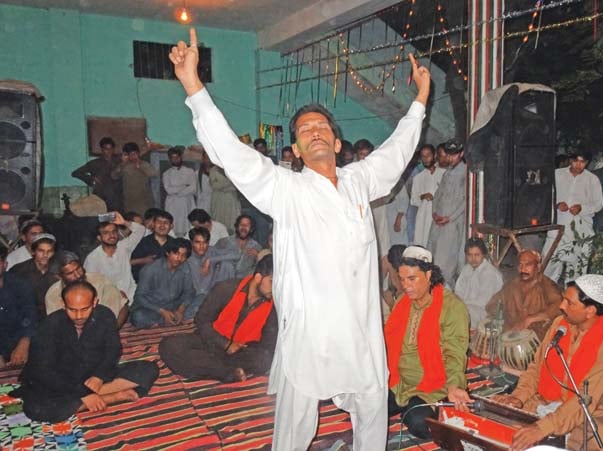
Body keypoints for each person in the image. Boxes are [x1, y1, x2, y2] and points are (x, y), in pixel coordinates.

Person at [170, 28, 429, 450]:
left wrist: (420, 98)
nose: (314, 132)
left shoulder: (360, 179)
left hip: (360, 331)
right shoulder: (284, 189)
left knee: (371, 416)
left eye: (321, 127)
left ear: (337, 141)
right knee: (293, 431)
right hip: (309, 332)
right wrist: (193, 85)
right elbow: (230, 154)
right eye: (305, 130)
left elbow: (399, 149)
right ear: (295, 149)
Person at [454, 274, 603, 451]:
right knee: (498, 420)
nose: (562, 306)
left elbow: (587, 399)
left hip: (595, 413)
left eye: (570, 303)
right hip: (546, 401)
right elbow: (536, 368)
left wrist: (542, 428)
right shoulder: (560, 325)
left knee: (583, 442)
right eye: (563, 299)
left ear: (590, 311)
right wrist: (518, 397)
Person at [11, 281, 159, 423]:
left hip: (91, 375)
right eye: (72, 310)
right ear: (63, 304)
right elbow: (44, 370)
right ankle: (112, 397)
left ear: (95, 302)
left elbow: (113, 350)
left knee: (148, 369)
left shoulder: (105, 315)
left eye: (85, 309)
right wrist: (83, 393)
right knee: (36, 409)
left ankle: (88, 398)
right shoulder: (49, 325)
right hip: (61, 379)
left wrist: (99, 376)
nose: (79, 316)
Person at [384, 246, 469, 439]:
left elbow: (455, 352)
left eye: (412, 279)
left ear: (429, 274)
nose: (406, 286)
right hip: (398, 381)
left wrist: (454, 385)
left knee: (418, 422)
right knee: (363, 405)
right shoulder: (402, 303)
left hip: (432, 385)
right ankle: (403, 404)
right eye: (402, 279)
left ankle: (434, 405)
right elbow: (387, 344)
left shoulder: (452, 307)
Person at [160, 255, 279, 382]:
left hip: (239, 353)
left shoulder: (275, 305)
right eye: (272, 282)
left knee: (265, 359)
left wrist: (245, 348)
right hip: (212, 342)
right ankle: (226, 372)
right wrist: (225, 344)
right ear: (258, 277)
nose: (276, 288)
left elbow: (268, 343)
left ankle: (216, 369)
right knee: (169, 345)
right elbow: (201, 320)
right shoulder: (226, 288)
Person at [542, 150, 603, 282]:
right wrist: (557, 204)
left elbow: (599, 203)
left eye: (582, 162)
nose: (578, 165)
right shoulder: (557, 174)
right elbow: (545, 197)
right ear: (570, 160)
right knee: (548, 265)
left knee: (577, 271)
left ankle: (571, 300)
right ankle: (546, 297)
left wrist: (582, 208)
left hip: (581, 231)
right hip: (557, 227)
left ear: (587, 163)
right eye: (575, 161)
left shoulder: (592, 179)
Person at [486, 249, 562, 333]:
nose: (523, 269)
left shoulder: (547, 285)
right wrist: (503, 321)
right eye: (520, 265)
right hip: (511, 336)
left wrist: (530, 319)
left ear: (538, 267)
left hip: (537, 338)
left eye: (528, 265)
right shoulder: (511, 285)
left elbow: (559, 306)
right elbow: (492, 304)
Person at [46, 251, 129, 328]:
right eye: (70, 273)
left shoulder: (100, 280)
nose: (78, 275)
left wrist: (111, 330)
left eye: (78, 269)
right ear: (59, 276)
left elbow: (123, 307)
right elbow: (58, 326)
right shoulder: (53, 295)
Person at [130, 238, 197, 327]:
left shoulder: (185, 267)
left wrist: (181, 310)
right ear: (168, 253)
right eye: (176, 254)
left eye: (183, 255)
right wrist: (162, 312)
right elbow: (139, 297)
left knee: (202, 298)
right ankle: (170, 320)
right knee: (138, 317)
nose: (179, 258)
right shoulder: (150, 269)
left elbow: (190, 291)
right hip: (153, 308)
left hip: (174, 306)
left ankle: (171, 319)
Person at [428, 139, 467, 287]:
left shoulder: (465, 172)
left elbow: (466, 200)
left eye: (454, 155)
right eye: (449, 155)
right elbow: (438, 195)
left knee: (445, 264)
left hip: (452, 224)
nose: (450, 158)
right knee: (432, 257)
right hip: (438, 222)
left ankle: (445, 297)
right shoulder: (447, 173)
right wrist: (434, 212)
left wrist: (449, 218)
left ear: (461, 153)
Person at [84, 212, 145, 300]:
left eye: (114, 231)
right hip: (108, 300)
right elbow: (92, 285)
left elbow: (141, 230)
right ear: (99, 238)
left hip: (132, 296)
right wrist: (115, 294)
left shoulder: (124, 247)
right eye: (106, 233)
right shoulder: (92, 258)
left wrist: (124, 222)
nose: (111, 235)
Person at [454, 238, 504, 329]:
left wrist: (461, 305)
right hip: (465, 307)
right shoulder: (466, 269)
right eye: (470, 255)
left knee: (458, 313)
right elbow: (458, 292)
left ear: (483, 255)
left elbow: (483, 302)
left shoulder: (489, 273)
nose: (473, 259)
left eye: (477, 255)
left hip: (485, 313)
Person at [0, 246, 36, 368]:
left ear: (4, 265)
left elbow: (31, 316)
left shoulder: (20, 285)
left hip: (18, 344)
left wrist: (24, 342)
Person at [10, 233, 59, 318]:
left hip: (52, 316)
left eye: (49, 251)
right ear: (33, 251)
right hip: (26, 317)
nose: (45, 255)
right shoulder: (18, 270)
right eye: (41, 251)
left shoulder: (59, 270)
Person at [185, 227, 237, 303]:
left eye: (205, 242)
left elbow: (236, 254)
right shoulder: (187, 256)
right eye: (198, 242)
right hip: (197, 296)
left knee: (227, 264)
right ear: (191, 243)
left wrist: (210, 260)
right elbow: (200, 289)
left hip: (215, 293)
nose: (201, 246)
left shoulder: (211, 250)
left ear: (208, 243)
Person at [71, 136, 123, 212]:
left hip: (118, 199)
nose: (109, 151)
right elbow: (75, 173)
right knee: (102, 221)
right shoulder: (94, 163)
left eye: (111, 149)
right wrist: (91, 179)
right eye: (106, 149)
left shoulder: (119, 162)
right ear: (102, 150)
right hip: (101, 198)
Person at [409, 144, 444, 246]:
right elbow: (413, 200)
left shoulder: (444, 173)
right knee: (423, 244)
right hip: (424, 217)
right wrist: (423, 196)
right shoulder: (418, 178)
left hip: (441, 217)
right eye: (423, 156)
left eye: (428, 155)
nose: (426, 159)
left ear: (434, 155)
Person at [130, 209, 176, 281]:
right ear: (153, 224)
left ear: (171, 226)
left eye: (166, 223)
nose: (162, 225)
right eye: (159, 222)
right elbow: (131, 264)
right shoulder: (143, 242)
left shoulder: (175, 244)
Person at [112, 142, 157, 216]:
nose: (133, 156)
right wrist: (122, 164)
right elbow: (114, 176)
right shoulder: (124, 166)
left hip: (144, 203)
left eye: (134, 153)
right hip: (129, 203)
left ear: (138, 153)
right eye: (130, 154)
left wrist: (139, 166)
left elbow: (153, 174)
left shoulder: (144, 164)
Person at [214, 214, 263, 279]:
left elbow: (261, 268)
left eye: (247, 225)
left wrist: (257, 256)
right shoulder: (224, 242)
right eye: (241, 225)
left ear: (251, 229)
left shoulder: (256, 246)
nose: (243, 227)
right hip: (223, 283)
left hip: (243, 283)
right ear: (237, 227)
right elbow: (212, 259)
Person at [162, 146, 197, 237]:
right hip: (172, 204)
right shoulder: (166, 174)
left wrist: (177, 192)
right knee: (173, 226)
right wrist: (184, 186)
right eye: (172, 158)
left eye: (177, 157)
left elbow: (193, 188)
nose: (175, 160)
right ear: (170, 159)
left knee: (187, 226)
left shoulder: (190, 171)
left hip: (186, 202)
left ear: (181, 157)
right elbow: (168, 190)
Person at [209, 163, 241, 233]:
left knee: (231, 222)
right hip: (218, 199)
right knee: (218, 223)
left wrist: (221, 184)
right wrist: (229, 182)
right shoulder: (213, 169)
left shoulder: (233, 169)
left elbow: (237, 185)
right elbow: (214, 186)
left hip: (231, 199)